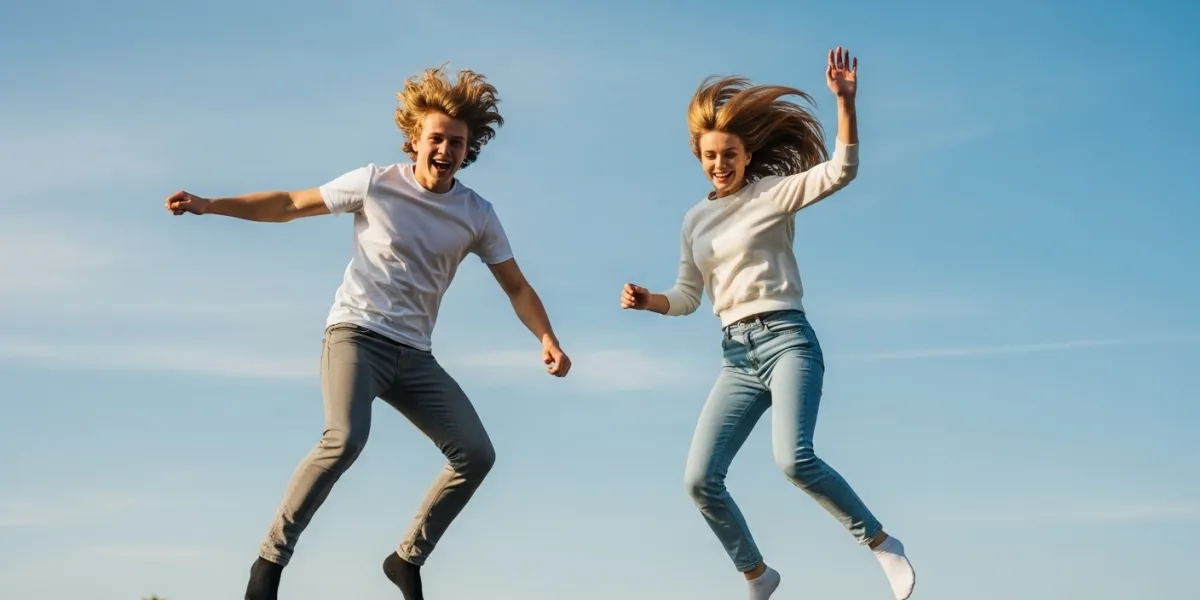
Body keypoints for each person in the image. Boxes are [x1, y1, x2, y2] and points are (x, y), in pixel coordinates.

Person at [164, 65, 572, 600]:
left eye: (456, 143)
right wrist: (210, 204)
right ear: (415, 140)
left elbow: (516, 287)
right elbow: (290, 204)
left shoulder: (477, 214)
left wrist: (547, 338)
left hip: (415, 356)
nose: (445, 150)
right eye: (436, 139)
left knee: (476, 454)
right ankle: (269, 564)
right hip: (355, 336)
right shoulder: (377, 183)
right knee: (345, 439)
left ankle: (405, 559)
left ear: (467, 150)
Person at [619, 48, 915, 600]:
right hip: (736, 357)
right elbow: (688, 296)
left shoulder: (772, 195)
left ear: (746, 154)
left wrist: (845, 103)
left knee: (794, 460)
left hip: (787, 341)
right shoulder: (694, 219)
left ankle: (880, 542)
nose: (720, 164)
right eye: (710, 155)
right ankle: (757, 574)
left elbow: (841, 170)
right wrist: (648, 301)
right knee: (699, 480)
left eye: (730, 154)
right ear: (698, 156)